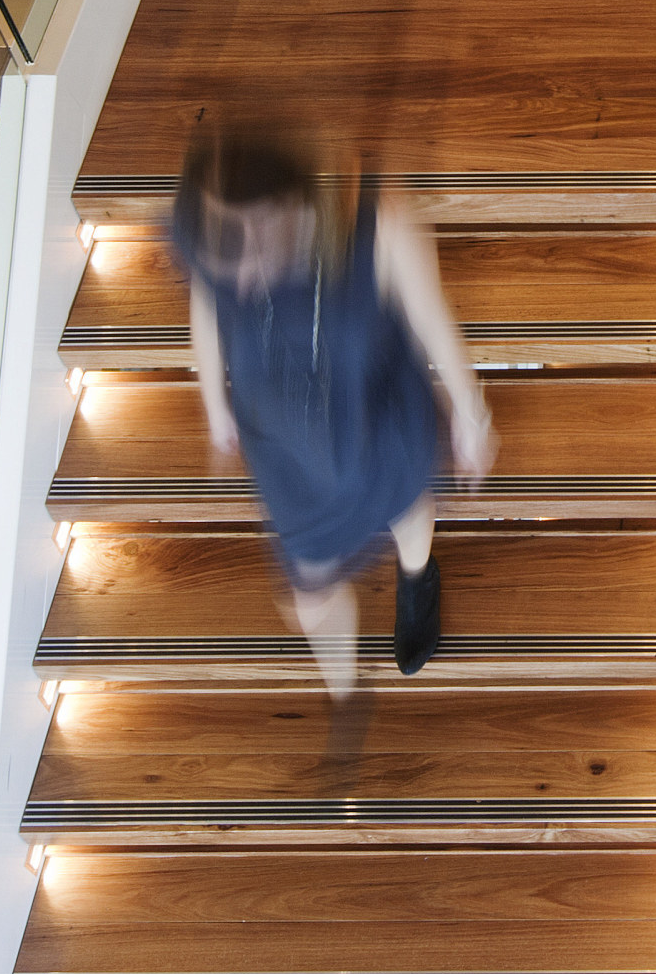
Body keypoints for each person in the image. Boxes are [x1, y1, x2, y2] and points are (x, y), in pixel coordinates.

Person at [173, 128, 495, 695]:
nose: (241, 284)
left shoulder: (374, 222)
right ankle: (344, 690)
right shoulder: (220, 236)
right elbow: (206, 296)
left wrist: (471, 412)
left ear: (281, 207)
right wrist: (214, 404)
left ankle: (417, 581)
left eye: (249, 257)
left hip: (375, 411)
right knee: (307, 582)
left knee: (407, 510)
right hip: (284, 434)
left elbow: (433, 321)